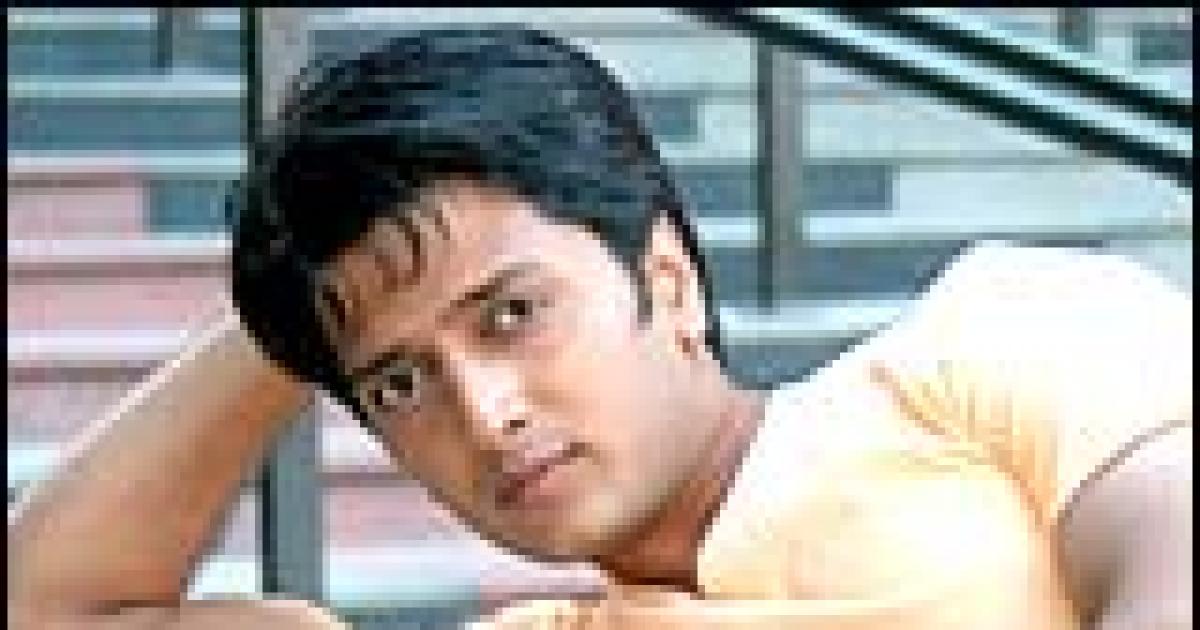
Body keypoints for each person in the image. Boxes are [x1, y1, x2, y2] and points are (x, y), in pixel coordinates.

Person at [9, 27, 1190, 629]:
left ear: (666, 277)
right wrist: (302, 287)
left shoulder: (996, 339)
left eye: (511, 315)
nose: (485, 413)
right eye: (400, 385)